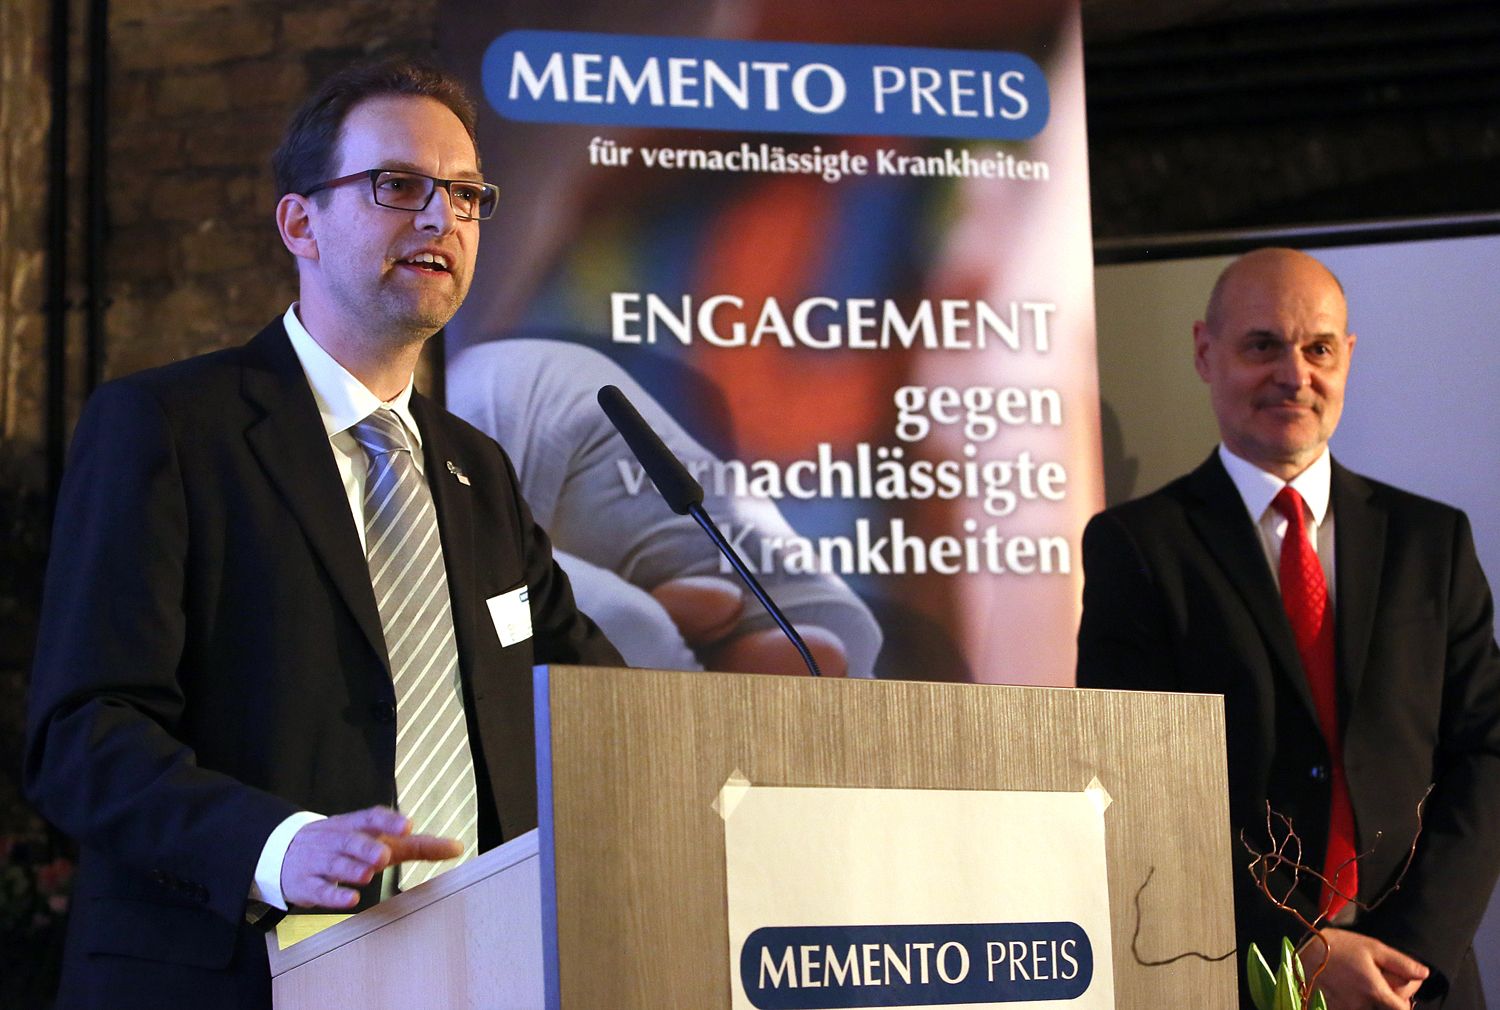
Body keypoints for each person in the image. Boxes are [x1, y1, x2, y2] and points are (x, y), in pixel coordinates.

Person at [24, 59, 622, 1008]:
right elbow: (84, 733)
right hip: (234, 976)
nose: (442, 218)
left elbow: (594, 704)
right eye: (399, 185)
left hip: (481, 973)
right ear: (300, 223)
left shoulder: (477, 472)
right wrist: (280, 846)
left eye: (466, 194)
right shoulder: (169, 430)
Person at [1076, 248, 1500, 1009]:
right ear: (1205, 352)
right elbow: (1131, 781)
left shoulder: (1432, 541)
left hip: (1415, 983)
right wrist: (1297, 950)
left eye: (1319, 348)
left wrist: (1412, 947)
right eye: (1263, 345)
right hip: (1235, 973)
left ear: (1348, 356)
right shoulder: (1137, 548)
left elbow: (1487, 751)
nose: (1294, 374)